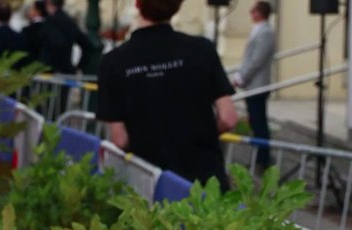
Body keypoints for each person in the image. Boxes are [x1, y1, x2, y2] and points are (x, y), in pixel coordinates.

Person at [95, 0, 237, 189]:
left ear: (137, 4)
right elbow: (228, 118)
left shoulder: (112, 62)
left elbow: (120, 140)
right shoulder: (202, 49)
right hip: (205, 181)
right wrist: (199, 131)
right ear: (177, 7)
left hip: (151, 183)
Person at [233, 0, 275, 170]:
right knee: (255, 122)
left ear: (259, 13)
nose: (251, 13)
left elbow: (257, 60)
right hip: (252, 84)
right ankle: (259, 156)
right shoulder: (258, 30)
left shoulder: (265, 32)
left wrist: (243, 77)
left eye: (253, 10)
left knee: (259, 123)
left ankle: (263, 158)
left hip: (257, 84)